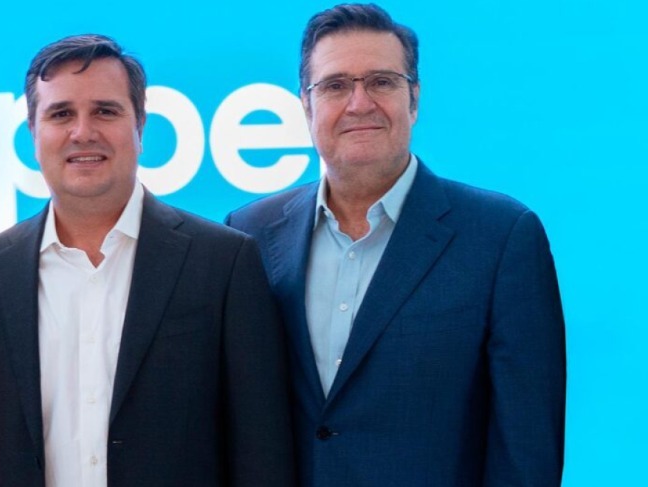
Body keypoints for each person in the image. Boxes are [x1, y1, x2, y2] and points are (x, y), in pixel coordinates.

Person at [0, 34, 294, 487]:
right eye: (61, 114)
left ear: (140, 126)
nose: (83, 132)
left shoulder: (223, 263)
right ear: (34, 133)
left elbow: (262, 451)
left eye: (105, 111)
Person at [227, 3, 566, 486]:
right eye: (335, 85)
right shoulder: (250, 233)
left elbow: (526, 450)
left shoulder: (502, 236)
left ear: (414, 99)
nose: (359, 104)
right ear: (306, 105)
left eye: (381, 82)